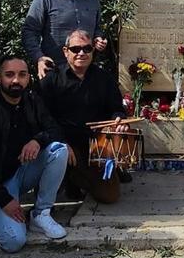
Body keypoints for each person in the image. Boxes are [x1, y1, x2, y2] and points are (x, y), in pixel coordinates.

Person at [0, 56, 70, 252]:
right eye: (9, 75)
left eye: (22, 75)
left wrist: (37, 140)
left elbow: (55, 129)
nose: (15, 81)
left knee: (58, 150)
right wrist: (4, 200)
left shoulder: (32, 100)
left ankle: (40, 214)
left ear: (28, 78)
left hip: (22, 172)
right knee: (13, 241)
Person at [39, 29, 128, 201]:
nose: (82, 53)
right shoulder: (51, 81)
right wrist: (62, 143)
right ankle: (67, 177)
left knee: (109, 196)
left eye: (87, 49)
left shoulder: (104, 78)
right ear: (66, 52)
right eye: (76, 49)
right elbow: (42, 118)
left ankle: (78, 178)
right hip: (63, 144)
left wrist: (119, 119)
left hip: (96, 146)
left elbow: (116, 108)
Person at [23, 0, 106, 78]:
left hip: (86, 71)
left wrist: (98, 38)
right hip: (55, 71)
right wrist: (38, 57)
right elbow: (29, 31)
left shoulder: (92, 0)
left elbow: (98, 27)